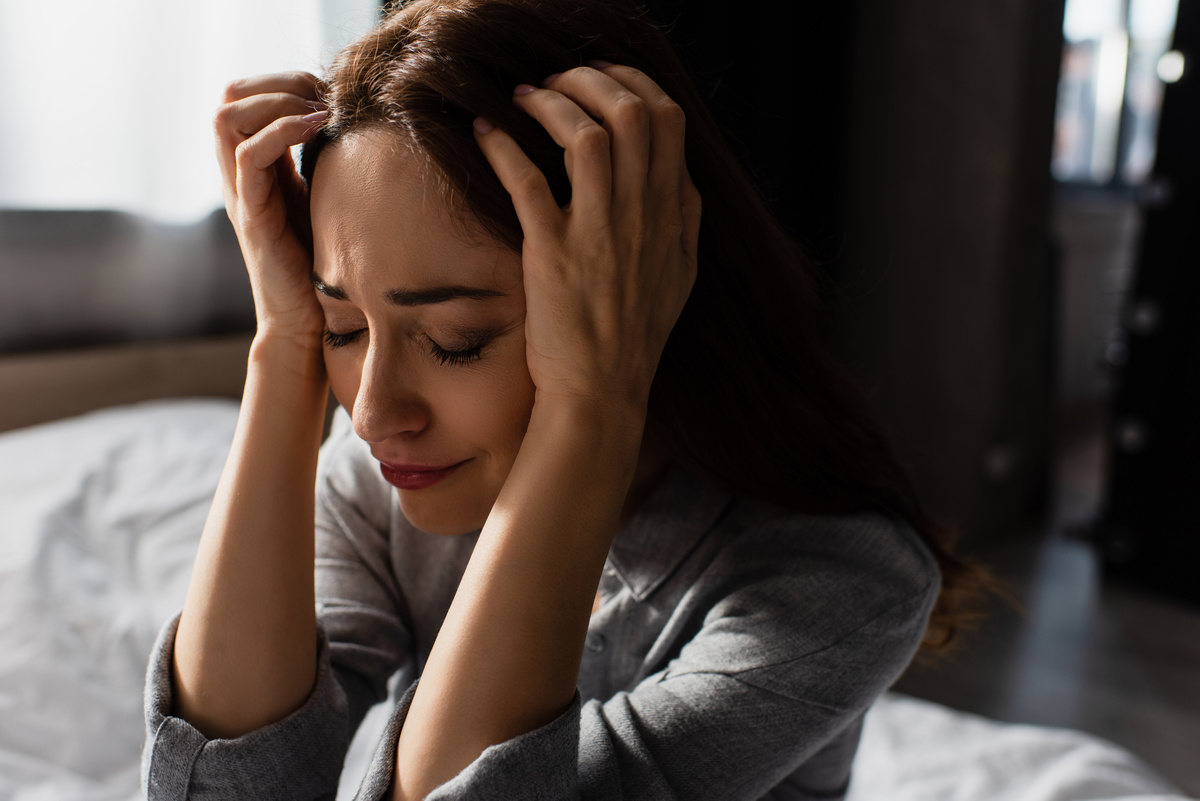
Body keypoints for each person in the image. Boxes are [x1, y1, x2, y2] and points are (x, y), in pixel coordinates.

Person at [142, 0, 981, 798]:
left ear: (638, 290)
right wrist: (283, 349)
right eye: (344, 328)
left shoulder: (844, 582)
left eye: (456, 340)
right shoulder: (382, 484)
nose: (371, 415)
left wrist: (593, 403)